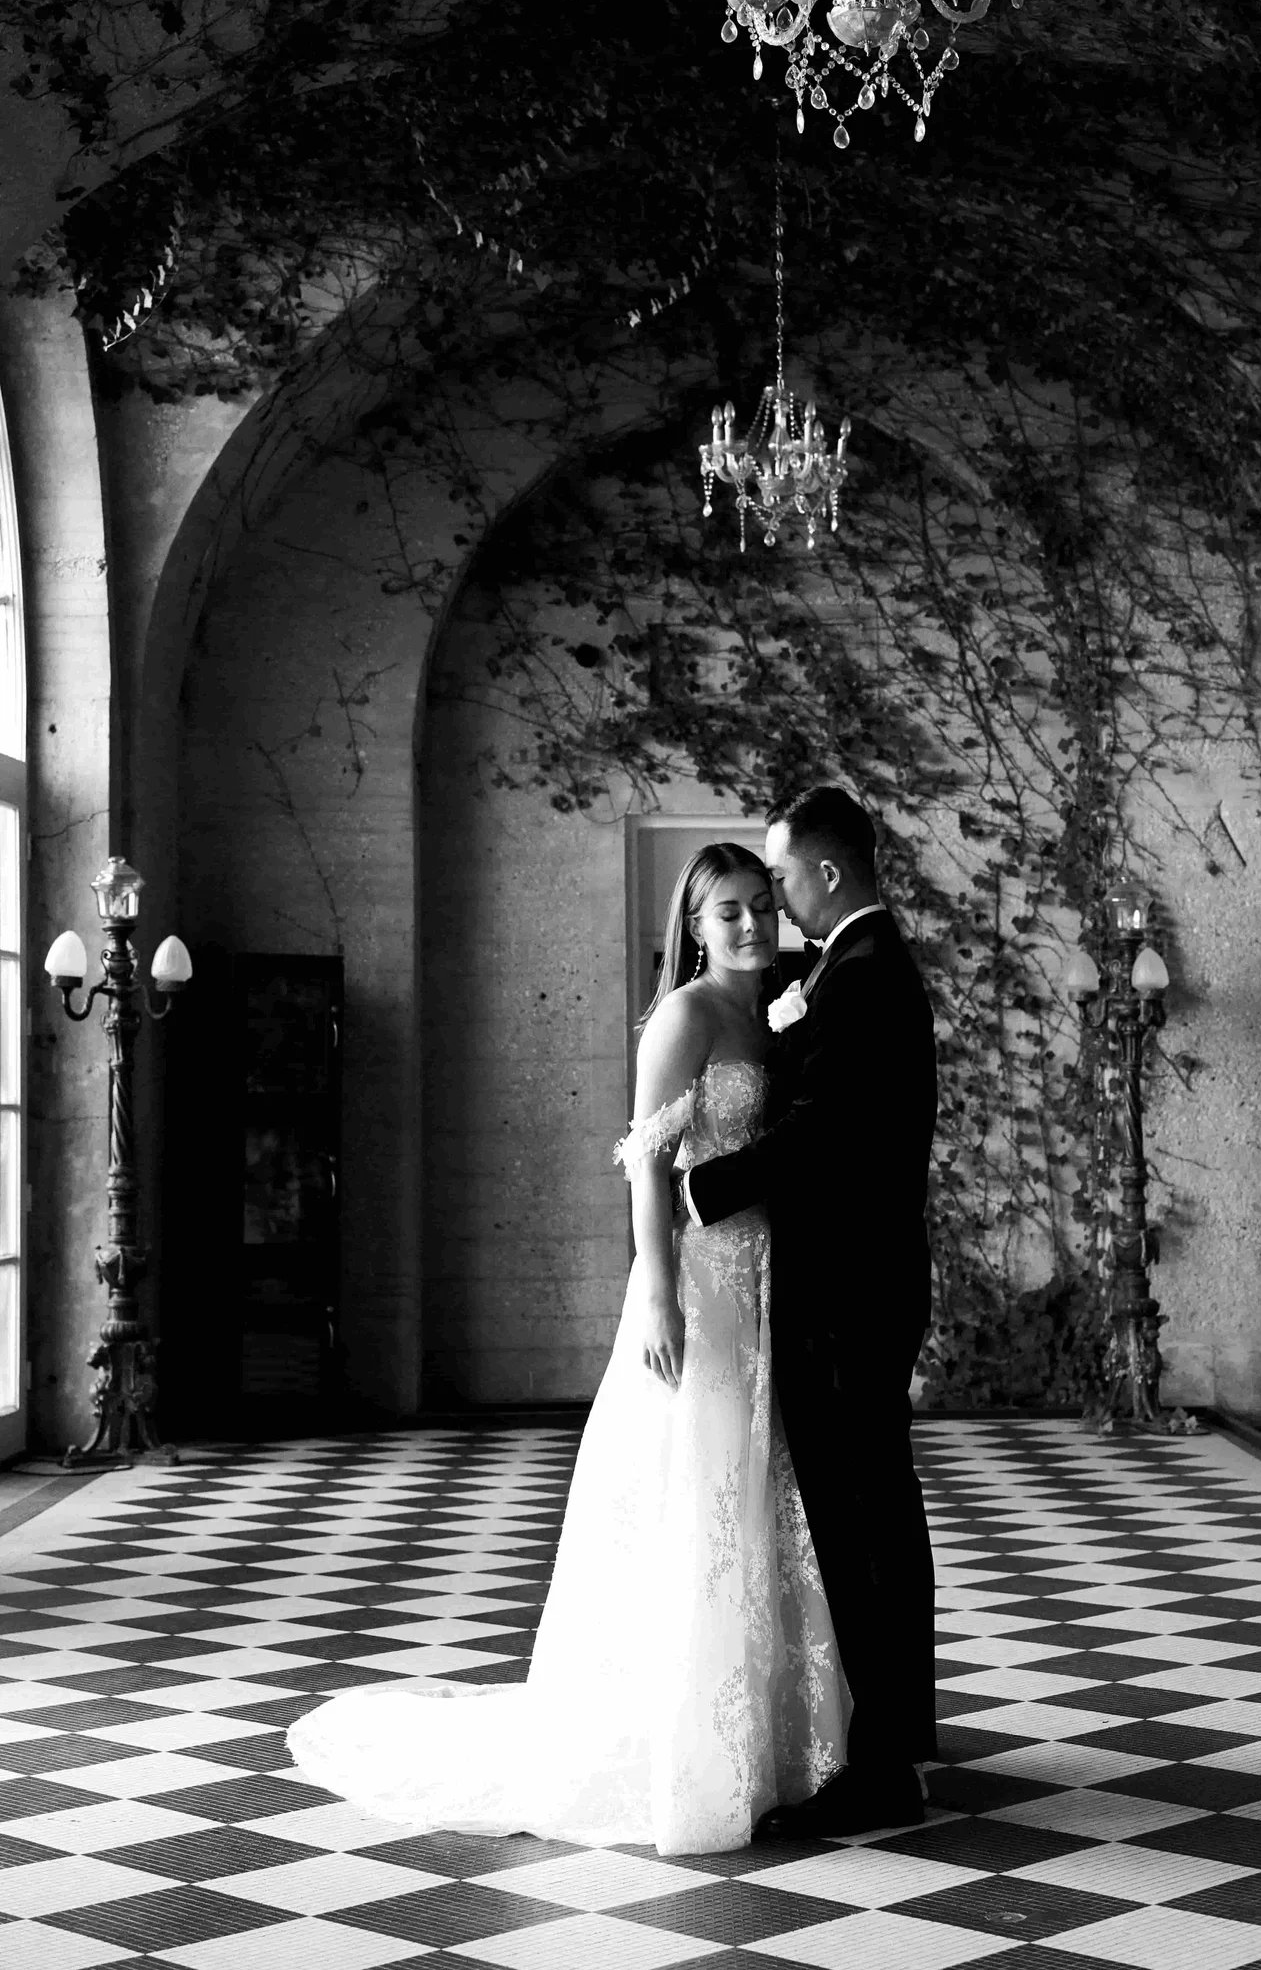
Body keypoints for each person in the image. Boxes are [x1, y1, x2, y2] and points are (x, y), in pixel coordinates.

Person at [286, 843, 847, 1856]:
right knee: (708, 1498)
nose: (753, 926)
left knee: (760, 1494)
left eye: (764, 906)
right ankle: (696, 1751)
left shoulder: (776, 1009)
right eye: (729, 912)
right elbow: (646, 1166)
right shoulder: (683, 1017)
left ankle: (766, 1741)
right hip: (706, 1284)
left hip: (772, 1279)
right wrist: (661, 1295)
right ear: (693, 924)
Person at [682, 786, 939, 1839]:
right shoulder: (845, 964)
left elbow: (826, 1129)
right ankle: (894, 1737)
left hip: (848, 1291)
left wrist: (705, 1188)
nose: (774, 903)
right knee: (870, 1509)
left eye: (781, 879)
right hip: (856, 1283)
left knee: (863, 1517)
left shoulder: (866, 975)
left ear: (824, 874)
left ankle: (883, 1764)